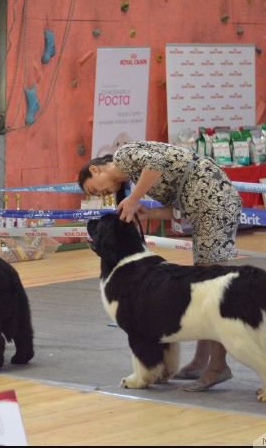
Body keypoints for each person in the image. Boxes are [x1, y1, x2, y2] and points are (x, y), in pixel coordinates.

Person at [78, 141, 242, 391]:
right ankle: (201, 361)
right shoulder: (136, 176)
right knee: (206, 289)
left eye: (93, 189)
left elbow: (157, 163)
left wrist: (133, 199)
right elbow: (180, 205)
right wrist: (149, 214)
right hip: (203, 206)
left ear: (95, 170)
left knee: (212, 289)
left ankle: (217, 365)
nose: (98, 194)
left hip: (213, 202)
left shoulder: (124, 156)